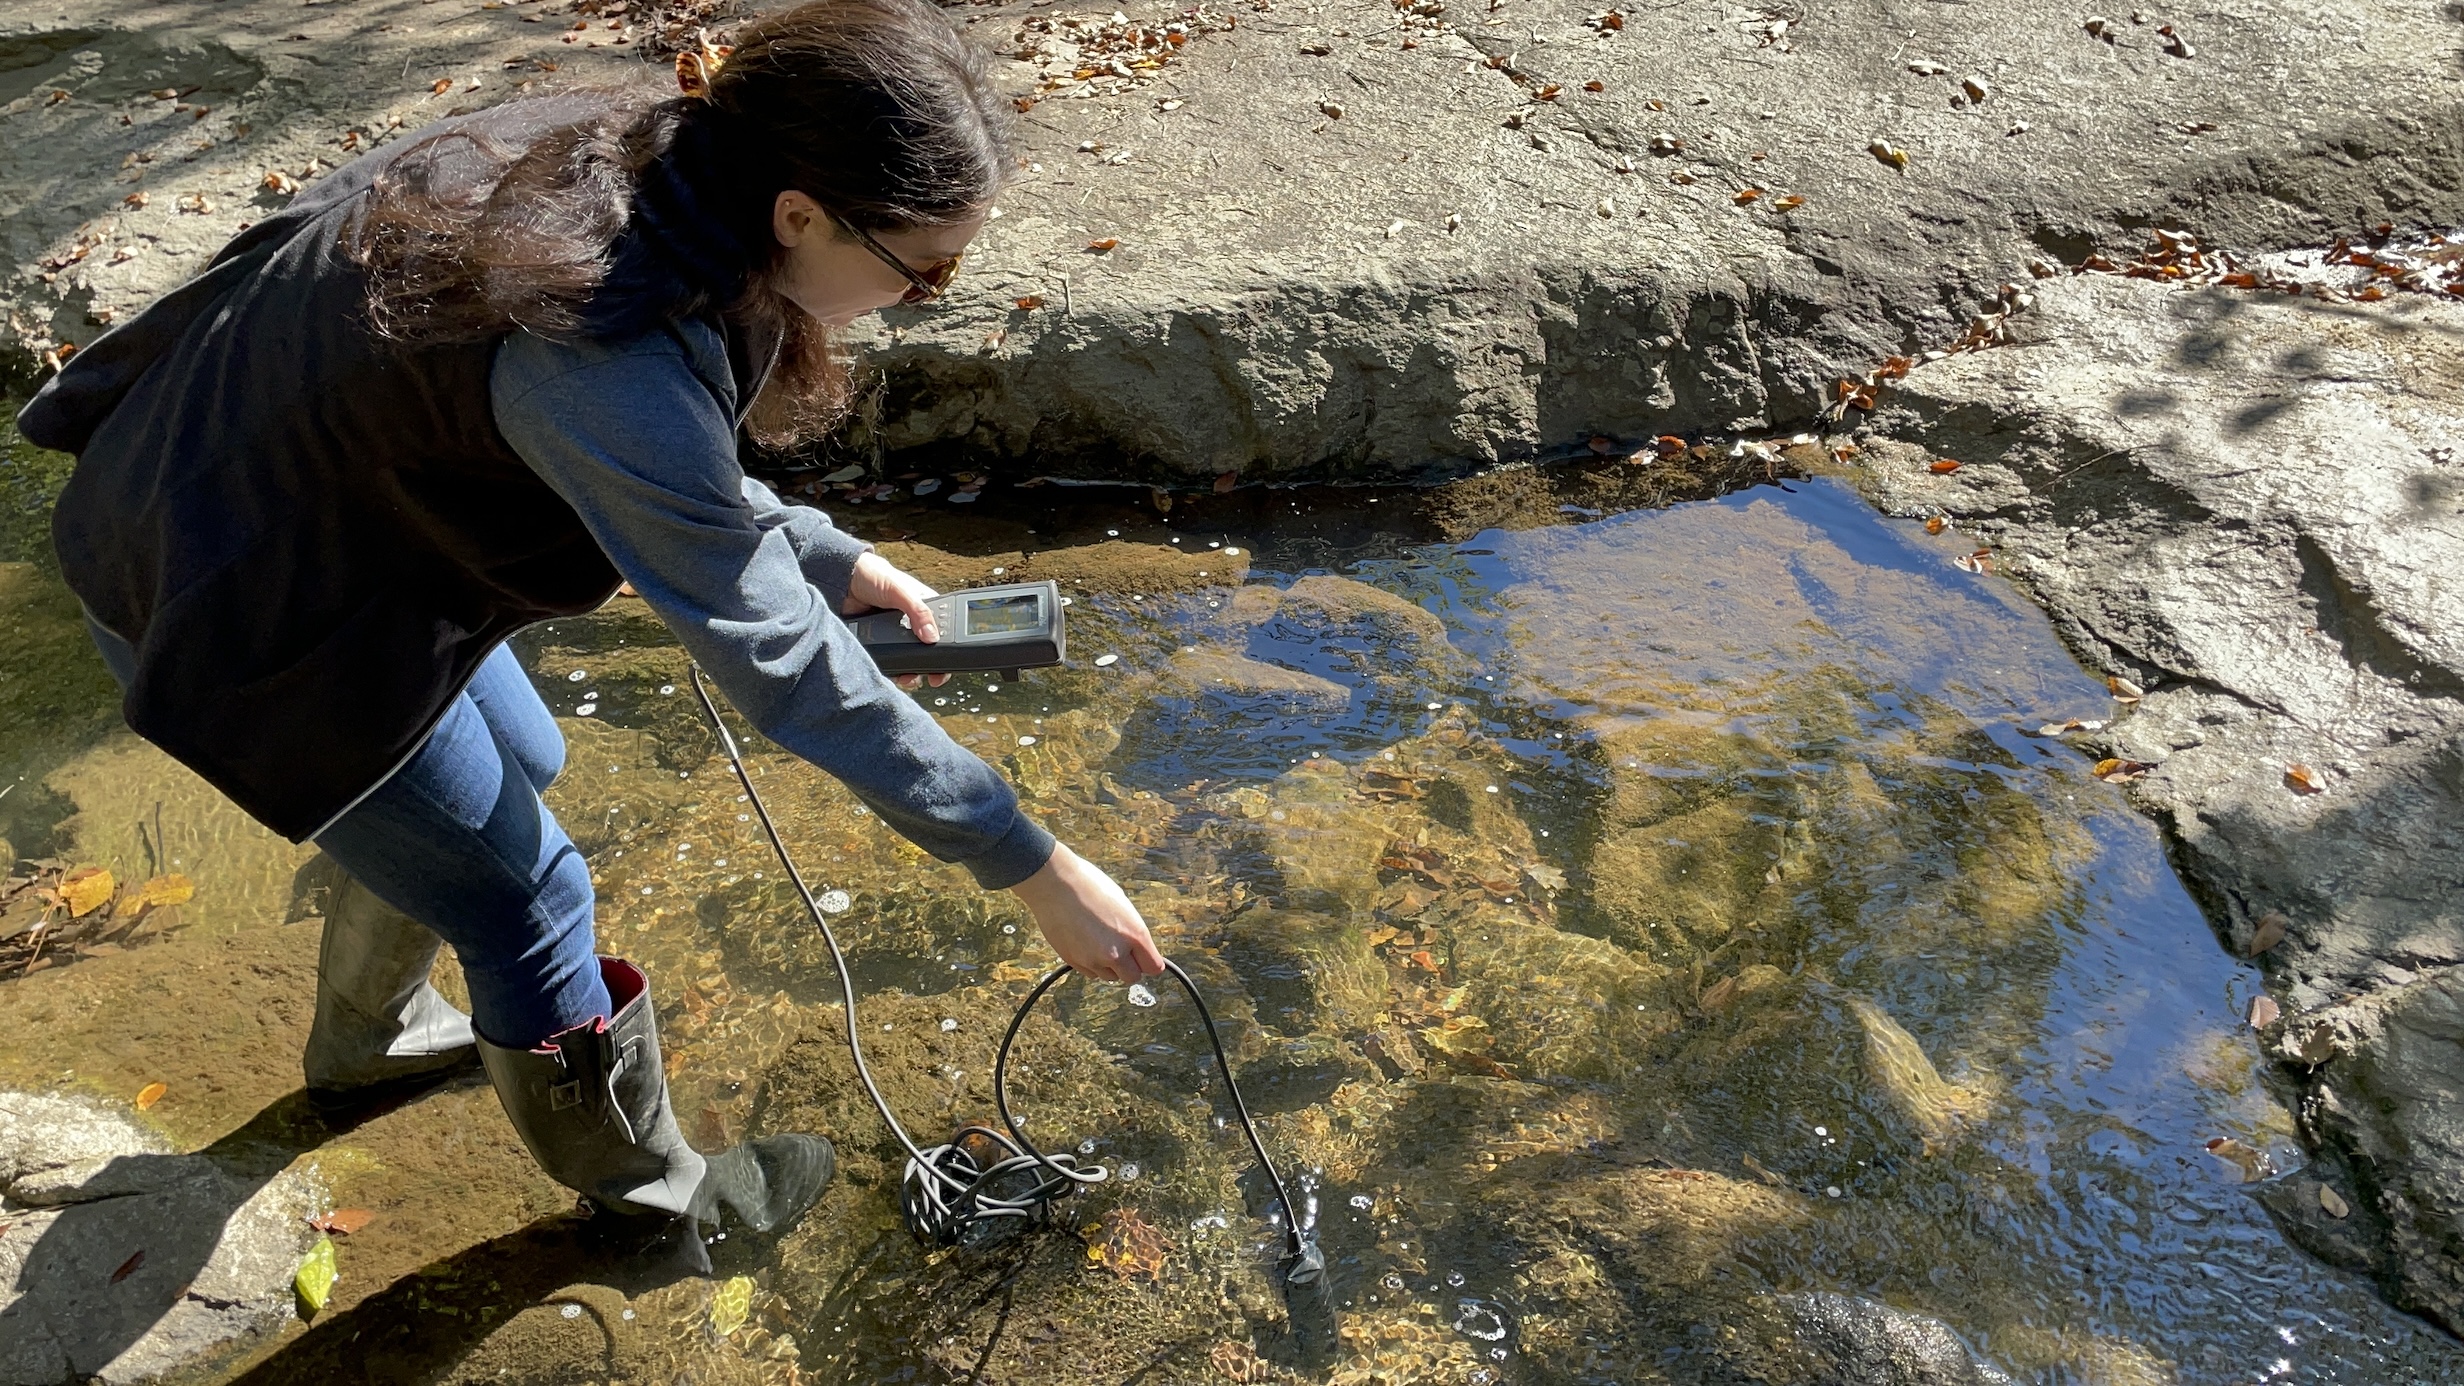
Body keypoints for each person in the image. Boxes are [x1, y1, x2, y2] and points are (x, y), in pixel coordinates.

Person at [14, 0, 1165, 1258]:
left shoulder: (651, 158)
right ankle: (652, 1199)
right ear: (801, 213)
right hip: (244, 603)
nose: (920, 299)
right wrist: (1029, 863)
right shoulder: (596, 339)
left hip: (297, 523)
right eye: (920, 268)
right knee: (534, 903)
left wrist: (830, 556)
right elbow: (779, 667)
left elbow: (672, 469)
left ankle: (365, 1044)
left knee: (531, 770)